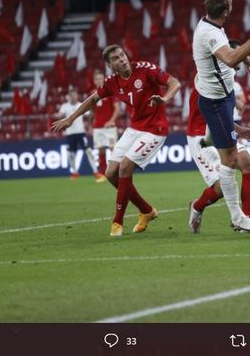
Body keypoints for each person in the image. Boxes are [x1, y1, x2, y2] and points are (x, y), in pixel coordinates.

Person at [52, 44, 181, 236]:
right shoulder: (112, 81)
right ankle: (146, 210)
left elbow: (175, 83)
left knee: (125, 167)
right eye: (116, 58)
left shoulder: (145, 69)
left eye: (122, 55)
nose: (122, 59)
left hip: (155, 129)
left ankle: (117, 222)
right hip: (134, 128)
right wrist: (70, 118)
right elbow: (93, 99)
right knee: (111, 172)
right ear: (111, 66)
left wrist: (165, 98)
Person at [192, 0, 250, 233]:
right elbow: (228, 57)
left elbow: (227, 50)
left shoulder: (212, 24)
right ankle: (238, 218)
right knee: (232, 160)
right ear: (226, 9)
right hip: (215, 102)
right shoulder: (210, 33)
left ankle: (211, 137)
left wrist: (245, 56)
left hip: (223, 99)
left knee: (239, 157)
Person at [185, 80, 250, 234]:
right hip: (201, 136)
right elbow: (212, 116)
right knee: (221, 189)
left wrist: (238, 125)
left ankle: (245, 221)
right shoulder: (207, 79)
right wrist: (238, 128)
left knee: (249, 164)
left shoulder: (224, 77)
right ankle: (197, 206)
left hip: (220, 130)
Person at [55, 88, 103, 181]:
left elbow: (90, 114)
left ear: (77, 95)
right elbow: (60, 114)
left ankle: (95, 171)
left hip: (81, 133)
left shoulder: (81, 105)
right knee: (71, 154)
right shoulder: (65, 106)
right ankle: (74, 172)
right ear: (68, 96)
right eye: (71, 95)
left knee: (88, 151)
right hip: (70, 134)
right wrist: (59, 116)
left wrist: (90, 123)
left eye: (74, 95)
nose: (73, 97)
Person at [91, 69, 121, 182]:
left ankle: (117, 172)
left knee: (114, 149)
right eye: (97, 79)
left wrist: (111, 120)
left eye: (100, 78)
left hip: (110, 127)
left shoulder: (110, 91)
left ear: (104, 79)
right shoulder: (93, 94)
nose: (99, 81)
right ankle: (103, 174)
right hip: (98, 127)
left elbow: (117, 108)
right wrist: (91, 123)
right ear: (94, 81)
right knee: (101, 150)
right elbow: (92, 111)